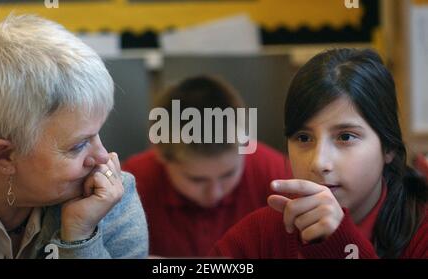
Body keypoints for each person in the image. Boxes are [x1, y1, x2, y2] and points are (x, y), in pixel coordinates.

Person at [210, 48, 428, 258]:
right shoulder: (260, 235)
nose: (319, 162)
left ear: (388, 147)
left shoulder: (421, 232)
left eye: (345, 137)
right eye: (304, 138)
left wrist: (340, 244)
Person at [0, 14, 148, 259]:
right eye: (79, 145)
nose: (103, 158)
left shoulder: (110, 201)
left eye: (98, 133)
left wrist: (80, 235)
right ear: (4, 155)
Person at [122, 75, 292, 257]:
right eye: (197, 179)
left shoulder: (278, 176)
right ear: (161, 156)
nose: (215, 193)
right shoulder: (131, 186)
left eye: (228, 174)